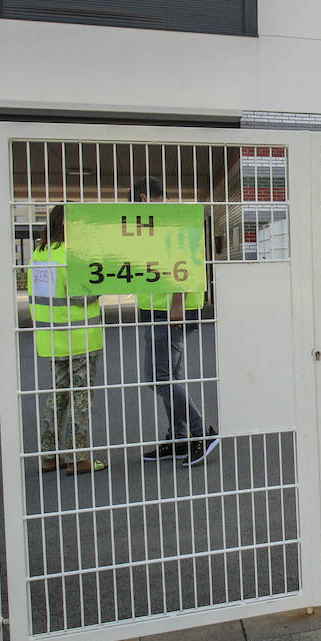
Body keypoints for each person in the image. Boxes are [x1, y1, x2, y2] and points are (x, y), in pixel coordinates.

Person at [132, 177, 218, 466]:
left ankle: (200, 432)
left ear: (144, 198)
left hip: (169, 313)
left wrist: (178, 303)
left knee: (158, 377)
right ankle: (179, 438)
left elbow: (181, 262)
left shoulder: (165, 225)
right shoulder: (156, 225)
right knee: (170, 377)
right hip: (162, 311)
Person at [29, 205, 106, 475]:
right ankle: (80, 457)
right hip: (80, 337)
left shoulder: (39, 254)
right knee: (80, 398)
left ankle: (49, 455)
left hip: (51, 339)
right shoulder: (73, 255)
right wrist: (100, 285)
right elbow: (81, 296)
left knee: (56, 396)